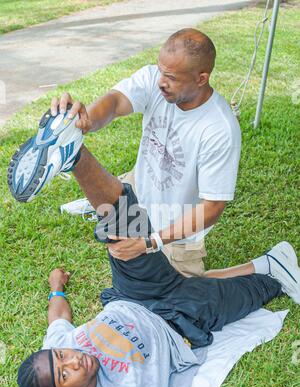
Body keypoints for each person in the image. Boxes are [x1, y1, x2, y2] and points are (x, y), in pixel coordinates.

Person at [15, 140, 300, 387]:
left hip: (132, 292)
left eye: (62, 356)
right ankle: (267, 266)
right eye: (65, 373)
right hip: (180, 316)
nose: (73, 360)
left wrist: (56, 286)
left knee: (122, 220)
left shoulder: (57, 348)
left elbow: (57, 319)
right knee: (265, 285)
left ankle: (73, 153)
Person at [48, 28, 242, 277]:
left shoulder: (219, 128)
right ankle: (106, 201)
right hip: (141, 189)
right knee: (120, 196)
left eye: (171, 77)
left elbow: (213, 207)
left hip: (177, 232)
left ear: (201, 78)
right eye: (160, 70)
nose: (161, 81)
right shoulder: (155, 80)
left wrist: (150, 242)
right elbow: (116, 102)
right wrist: (86, 120)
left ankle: (268, 266)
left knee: (178, 300)